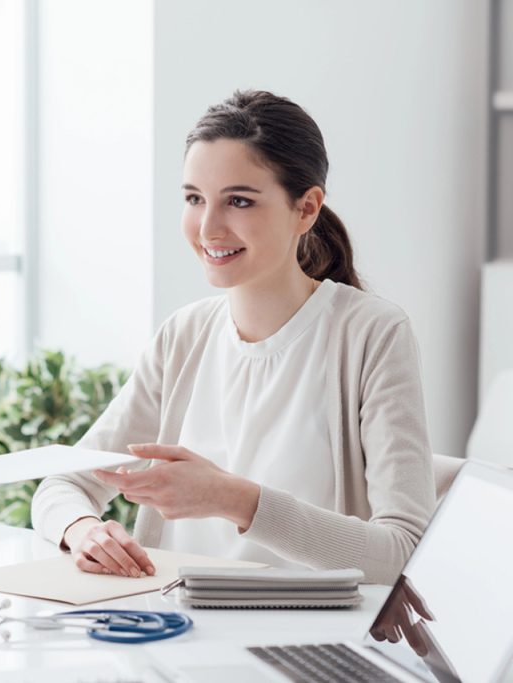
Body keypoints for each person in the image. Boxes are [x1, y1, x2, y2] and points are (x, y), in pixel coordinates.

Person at [31, 90, 436, 586]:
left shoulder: (371, 334)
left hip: (307, 645)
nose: (207, 227)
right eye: (194, 199)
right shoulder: (184, 335)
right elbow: (64, 482)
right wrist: (84, 529)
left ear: (306, 208)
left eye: (238, 201)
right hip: (169, 628)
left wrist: (232, 498)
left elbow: (402, 552)